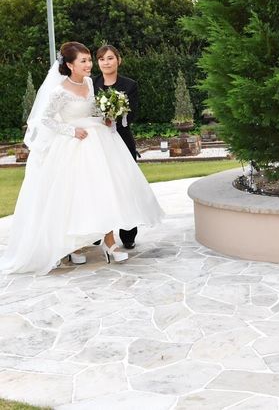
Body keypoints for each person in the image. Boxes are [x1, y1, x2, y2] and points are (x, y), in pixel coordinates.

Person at [0, 42, 164, 276]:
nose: (89, 65)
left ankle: (109, 242)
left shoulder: (89, 83)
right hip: (73, 146)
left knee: (103, 191)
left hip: (98, 143)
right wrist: (71, 131)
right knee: (74, 196)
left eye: (89, 60)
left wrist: (107, 117)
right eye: (84, 61)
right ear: (70, 65)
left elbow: (92, 110)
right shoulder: (59, 91)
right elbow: (45, 119)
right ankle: (74, 246)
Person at [93, 45, 139, 249]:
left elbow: (133, 114)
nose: (106, 62)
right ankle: (97, 231)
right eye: (102, 59)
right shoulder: (91, 83)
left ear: (118, 60)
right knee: (98, 186)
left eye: (110, 58)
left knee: (126, 185)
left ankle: (128, 234)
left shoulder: (129, 85)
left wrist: (114, 118)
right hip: (97, 142)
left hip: (122, 139)